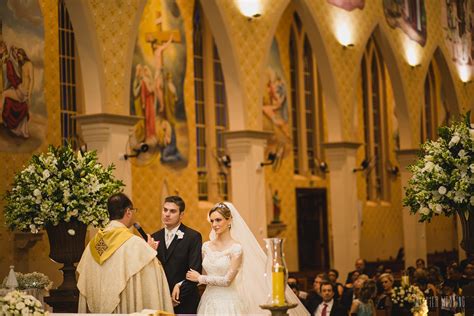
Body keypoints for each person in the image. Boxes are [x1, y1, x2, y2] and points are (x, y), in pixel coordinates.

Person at [186, 202, 309, 315]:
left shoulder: (236, 248)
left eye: (218, 220)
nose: (214, 225)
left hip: (228, 302)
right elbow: (202, 272)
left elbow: (227, 281)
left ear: (229, 221)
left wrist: (200, 278)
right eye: (212, 221)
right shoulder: (206, 246)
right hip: (208, 300)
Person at [77, 193, 173, 313]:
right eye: (133, 210)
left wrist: (147, 250)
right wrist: (150, 252)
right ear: (128, 212)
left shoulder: (92, 245)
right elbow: (152, 286)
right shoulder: (136, 245)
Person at [151, 195, 202, 314]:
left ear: (181, 215)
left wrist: (178, 293)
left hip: (185, 302)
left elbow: (194, 270)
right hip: (160, 301)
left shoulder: (192, 237)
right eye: (165, 210)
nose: (167, 214)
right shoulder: (154, 237)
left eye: (172, 211)